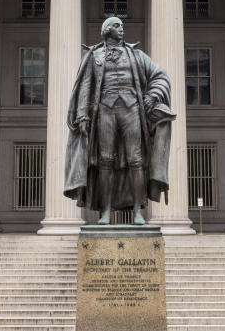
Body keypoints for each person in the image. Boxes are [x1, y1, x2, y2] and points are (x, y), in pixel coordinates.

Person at [63, 17, 175, 225]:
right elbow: (86, 86)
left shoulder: (137, 55)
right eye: (117, 25)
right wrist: (81, 114)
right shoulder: (94, 56)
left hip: (132, 109)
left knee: (136, 160)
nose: (121, 29)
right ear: (106, 30)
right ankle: (105, 212)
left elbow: (161, 76)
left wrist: (152, 95)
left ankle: (137, 212)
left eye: (122, 26)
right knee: (105, 160)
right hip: (105, 109)